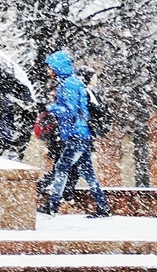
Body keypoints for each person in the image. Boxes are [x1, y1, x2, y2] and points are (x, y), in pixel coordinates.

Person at [38, 50, 112, 218]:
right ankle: (103, 207)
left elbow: (70, 111)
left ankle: (52, 205)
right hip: (82, 133)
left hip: (76, 134)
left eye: (50, 67)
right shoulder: (72, 82)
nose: (48, 71)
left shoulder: (68, 84)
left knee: (61, 168)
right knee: (88, 173)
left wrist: (50, 108)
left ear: (58, 67)